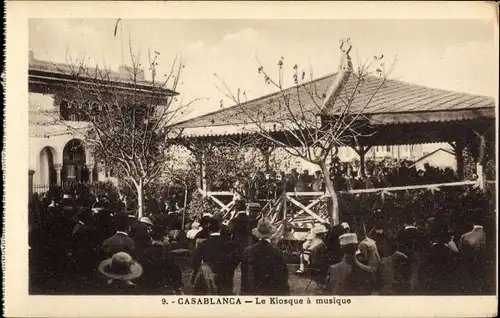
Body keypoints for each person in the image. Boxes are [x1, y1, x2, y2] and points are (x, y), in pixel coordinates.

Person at [241, 218, 289, 295]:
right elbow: (283, 277)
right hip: (271, 291)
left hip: (253, 291)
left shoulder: (248, 251)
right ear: (270, 234)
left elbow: (244, 276)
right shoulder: (277, 252)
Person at [191, 217, 240, 295]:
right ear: (220, 230)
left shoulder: (203, 244)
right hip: (226, 277)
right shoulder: (230, 243)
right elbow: (237, 259)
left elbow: (195, 263)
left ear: (209, 231)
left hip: (209, 279)